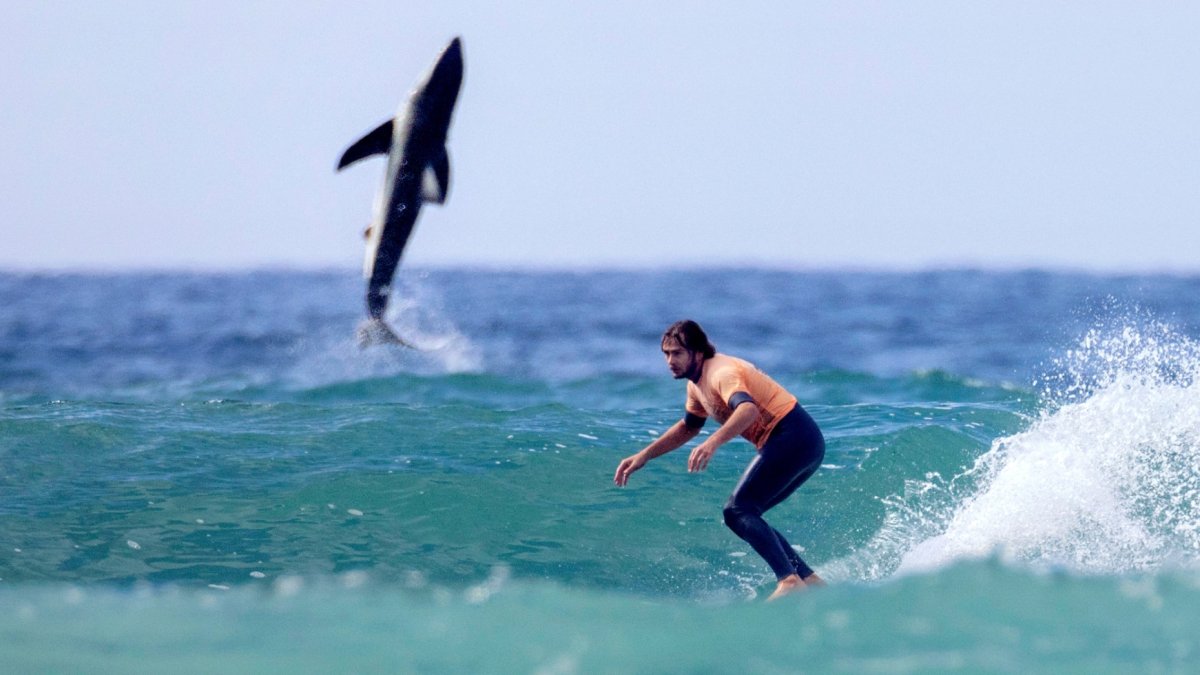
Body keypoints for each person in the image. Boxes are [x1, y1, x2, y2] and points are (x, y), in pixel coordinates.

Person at [613, 320, 826, 600]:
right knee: (746, 513)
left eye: (677, 353)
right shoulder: (697, 384)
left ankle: (789, 581)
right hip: (803, 441)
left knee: (737, 511)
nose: (669, 361)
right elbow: (689, 426)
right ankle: (809, 581)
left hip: (793, 436)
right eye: (666, 354)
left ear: (698, 352)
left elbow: (747, 410)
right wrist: (644, 456)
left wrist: (713, 442)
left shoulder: (720, 373)